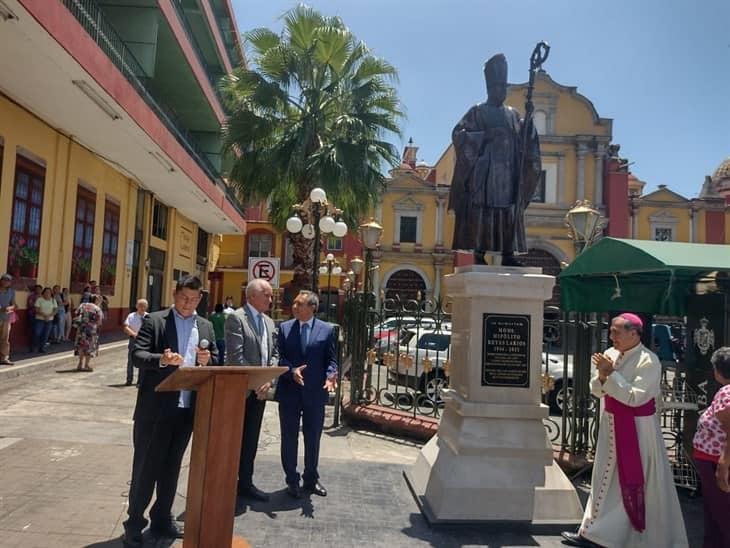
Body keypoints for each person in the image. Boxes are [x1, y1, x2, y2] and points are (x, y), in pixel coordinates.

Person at [561, 313, 688, 547]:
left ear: (634, 333)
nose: (612, 336)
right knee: (603, 479)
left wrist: (610, 374)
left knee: (627, 482)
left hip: (638, 432)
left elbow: (635, 397)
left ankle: (618, 537)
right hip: (610, 425)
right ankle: (592, 530)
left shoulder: (648, 361)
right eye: (610, 331)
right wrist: (601, 375)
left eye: (616, 332)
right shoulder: (608, 354)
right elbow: (596, 391)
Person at [122, 275, 217, 548]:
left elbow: (218, 359)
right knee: (145, 469)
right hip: (155, 411)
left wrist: (208, 360)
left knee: (172, 468)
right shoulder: (155, 320)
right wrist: (161, 359)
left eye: (194, 298)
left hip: (187, 410)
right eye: (184, 297)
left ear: (200, 298)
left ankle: (162, 517)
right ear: (175, 294)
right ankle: (134, 524)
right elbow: (137, 355)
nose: (188, 303)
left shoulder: (206, 326)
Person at [447, 53, 541, 266]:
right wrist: (483, 136)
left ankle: (508, 254)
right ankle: (479, 253)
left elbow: (525, 140)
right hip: (485, 174)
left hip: (508, 173)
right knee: (483, 212)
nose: (503, 91)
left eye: (504, 87)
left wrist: (528, 121)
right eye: (499, 87)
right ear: (490, 88)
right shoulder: (477, 111)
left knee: (508, 211)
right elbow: (458, 135)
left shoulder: (513, 114)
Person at [275, 290, 337, 498]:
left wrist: (331, 376)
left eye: (299, 304)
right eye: (294, 303)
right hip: (289, 392)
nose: (294, 307)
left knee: (313, 437)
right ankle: (292, 479)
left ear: (312, 307)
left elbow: (332, 360)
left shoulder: (327, 330)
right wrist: (292, 371)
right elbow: (279, 357)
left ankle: (311, 479)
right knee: (289, 437)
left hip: (314, 394)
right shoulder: (283, 328)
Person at [225, 279, 278, 502]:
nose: (270, 298)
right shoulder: (236, 318)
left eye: (271, 294)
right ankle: (227, 485)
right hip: (242, 392)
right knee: (234, 441)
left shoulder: (269, 322)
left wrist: (268, 380)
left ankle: (246, 483)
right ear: (251, 296)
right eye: (266, 294)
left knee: (251, 441)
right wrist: (257, 381)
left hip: (261, 392)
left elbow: (274, 354)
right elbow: (236, 357)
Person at [692, 347, 730, 548]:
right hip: (711, 460)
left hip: (716, 460)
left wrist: (723, 464)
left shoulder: (726, 393)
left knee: (722, 514)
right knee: (714, 513)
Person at [73, 295, 103, 371]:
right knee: (89, 347)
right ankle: (86, 365)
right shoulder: (97, 308)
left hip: (81, 329)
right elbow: (99, 321)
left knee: (81, 346)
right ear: (96, 300)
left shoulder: (82, 305)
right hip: (91, 330)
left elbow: (76, 313)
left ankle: (80, 363)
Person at [123, 299, 149, 386]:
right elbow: (126, 327)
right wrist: (134, 334)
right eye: (140, 305)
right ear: (137, 306)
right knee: (131, 360)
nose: (142, 308)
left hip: (144, 340)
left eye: (144, 306)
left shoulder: (149, 317)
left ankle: (140, 381)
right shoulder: (131, 316)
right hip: (134, 339)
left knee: (143, 360)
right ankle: (129, 379)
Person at [34, 287, 57, 353]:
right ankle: (35, 345)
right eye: (46, 292)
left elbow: (55, 310)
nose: (47, 294)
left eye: (49, 292)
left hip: (49, 320)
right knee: (37, 333)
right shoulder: (39, 300)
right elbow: (36, 309)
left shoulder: (53, 300)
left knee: (46, 334)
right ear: (43, 293)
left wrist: (49, 315)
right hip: (40, 319)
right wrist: (44, 315)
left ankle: (42, 348)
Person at [0, 273, 17, 365]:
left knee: (5, 339)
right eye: (4, 279)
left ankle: (4, 358)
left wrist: (10, 308)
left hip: (6, 318)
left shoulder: (11, 292)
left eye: (8, 280)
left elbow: (14, 304)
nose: (6, 282)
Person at [26, 284, 42, 351]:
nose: (38, 290)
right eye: (37, 289)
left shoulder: (42, 297)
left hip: (41, 316)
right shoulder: (32, 296)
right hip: (33, 314)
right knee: (34, 330)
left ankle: (38, 343)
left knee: (39, 330)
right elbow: (30, 305)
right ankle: (32, 345)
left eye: (39, 289)